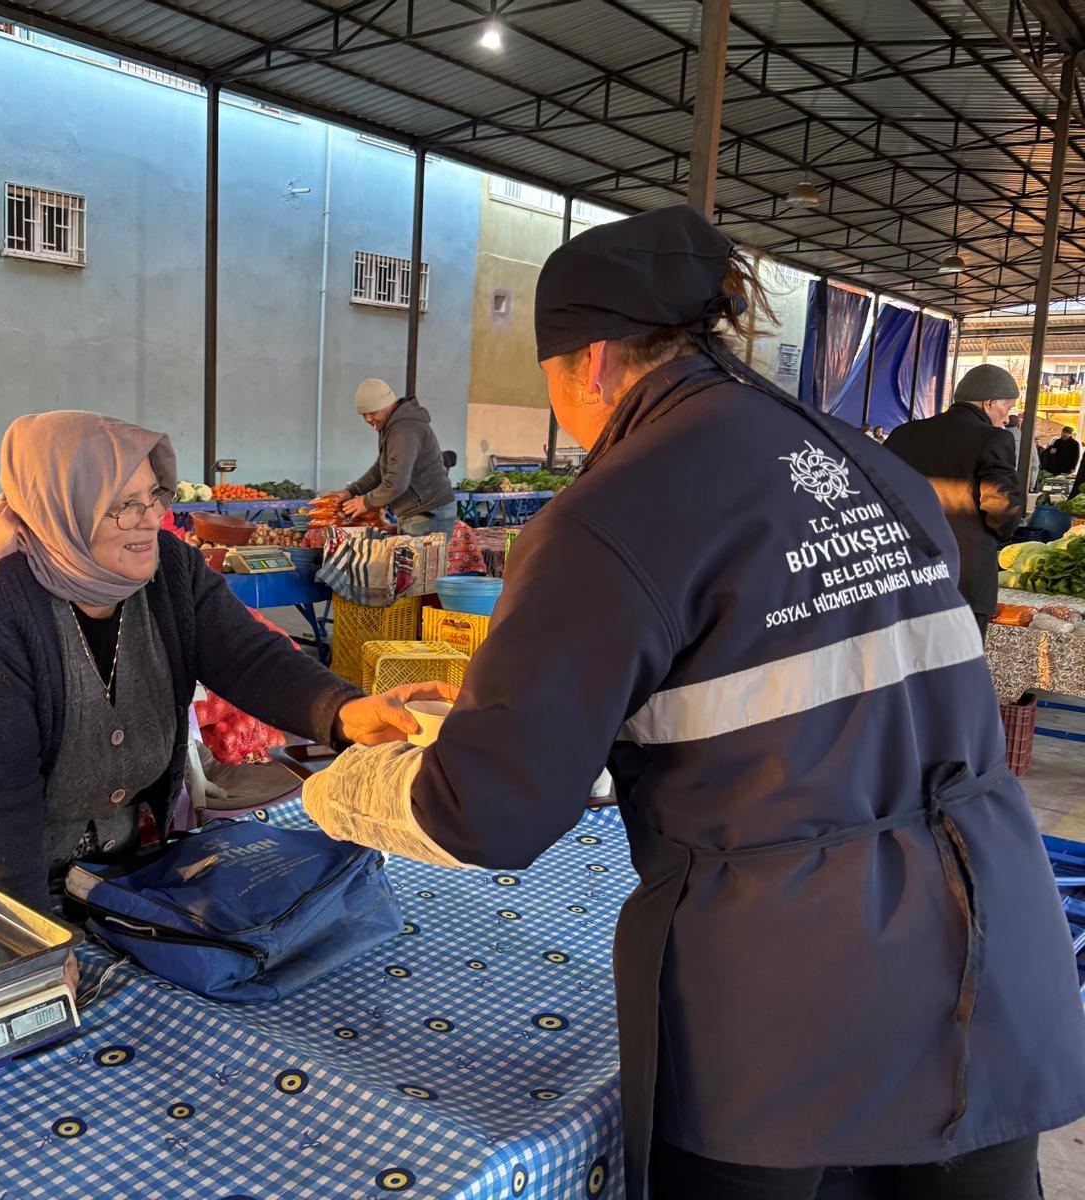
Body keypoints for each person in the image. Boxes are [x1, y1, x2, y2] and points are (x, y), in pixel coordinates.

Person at [299, 206, 1085, 1199]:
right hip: (989, 948)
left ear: (587, 362)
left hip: (788, 992)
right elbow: (775, 689)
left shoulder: (612, 511)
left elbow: (490, 811)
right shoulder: (863, 462)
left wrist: (342, 788)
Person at [0, 411, 453, 911]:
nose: (151, 519)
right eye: (123, 506)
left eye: (155, 495)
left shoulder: (169, 569)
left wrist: (347, 711)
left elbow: (248, 656)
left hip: (103, 868)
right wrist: (30, 943)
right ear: (62, 509)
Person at [885, 365, 1024, 637]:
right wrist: (1001, 533)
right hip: (964, 574)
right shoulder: (993, 439)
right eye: (1006, 409)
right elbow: (1002, 507)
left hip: (902, 569)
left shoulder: (903, 434)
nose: (1007, 418)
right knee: (958, 668)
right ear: (989, 403)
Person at [331, 379, 457, 535]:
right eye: (364, 414)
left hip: (428, 513)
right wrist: (352, 491)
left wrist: (366, 502)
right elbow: (380, 468)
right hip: (419, 512)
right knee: (411, 559)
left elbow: (396, 482)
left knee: (420, 560)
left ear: (387, 404)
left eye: (373, 412)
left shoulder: (404, 430)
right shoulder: (390, 427)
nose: (368, 419)